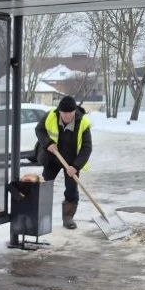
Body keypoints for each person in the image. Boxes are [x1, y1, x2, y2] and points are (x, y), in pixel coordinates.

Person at [35, 95, 93, 229]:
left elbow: (87, 148)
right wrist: (47, 143)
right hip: (52, 158)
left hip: (72, 161)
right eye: (64, 113)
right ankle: (40, 216)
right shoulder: (51, 116)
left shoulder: (83, 122)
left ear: (74, 111)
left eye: (70, 113)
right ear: (59, 111)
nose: (67, 116)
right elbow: (39, 130)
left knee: (71, 190)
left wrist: (76, 166)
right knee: (45, 186)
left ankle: (68, 218)